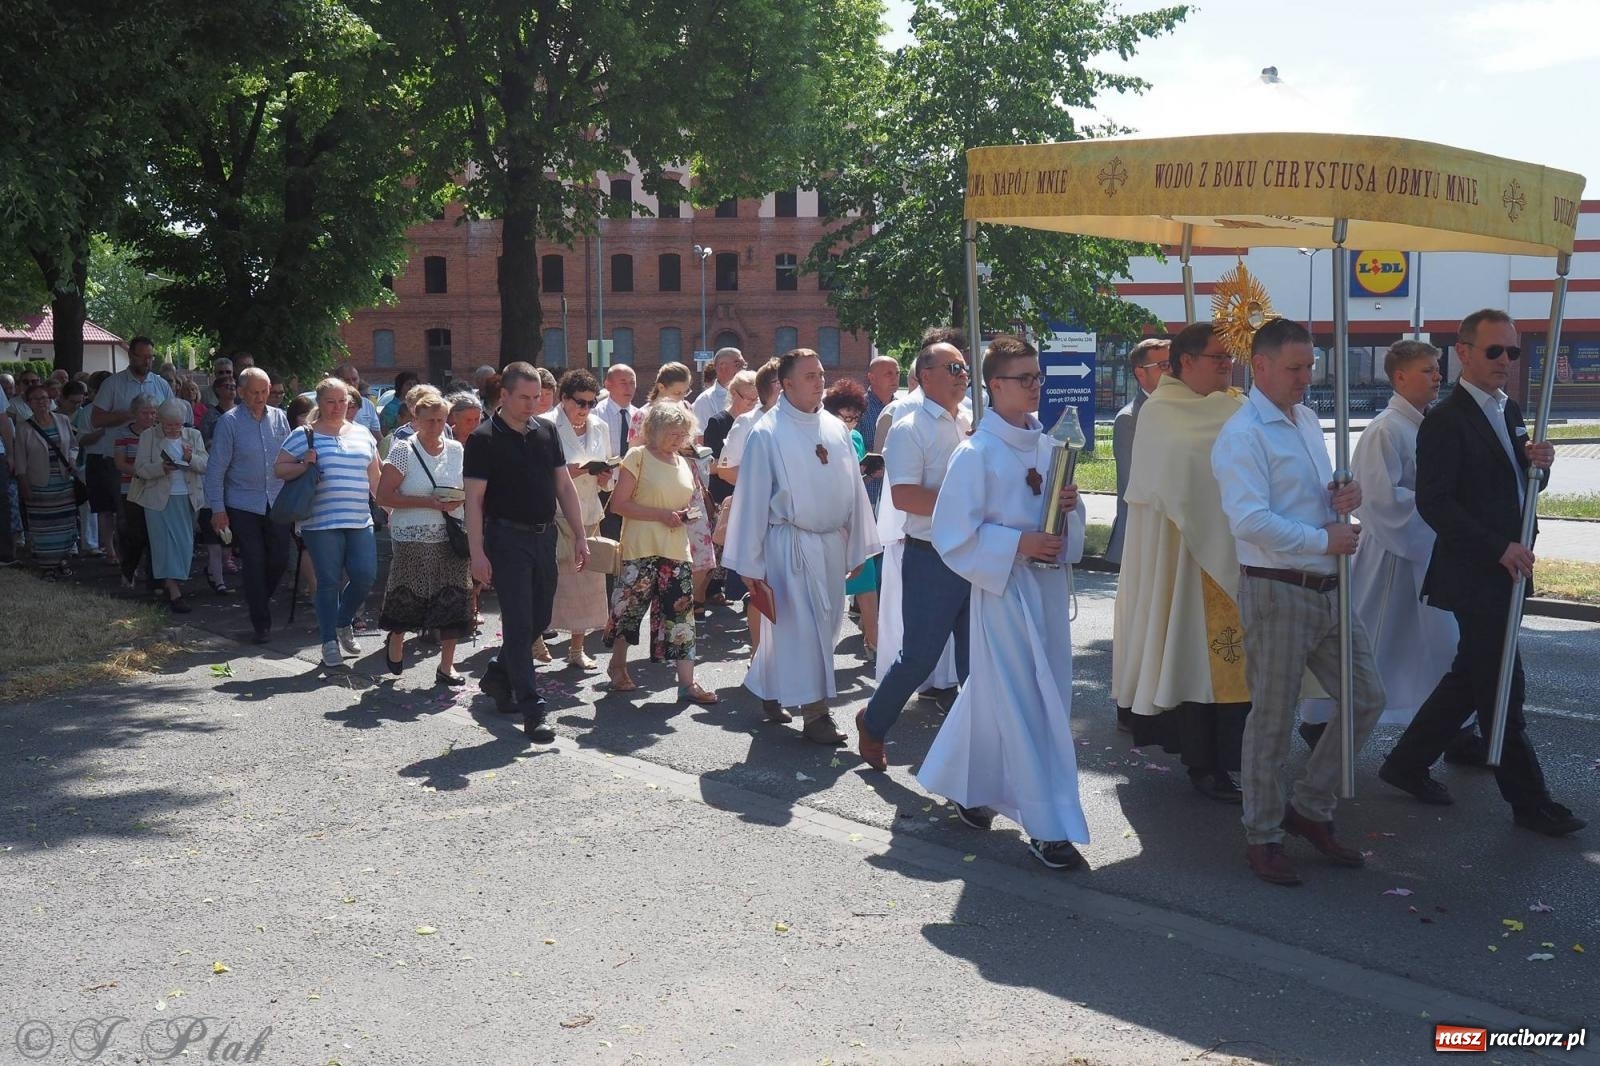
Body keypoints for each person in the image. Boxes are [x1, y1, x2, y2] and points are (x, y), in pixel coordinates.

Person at [1378, 310, 1585, 837]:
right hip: (1477, 572)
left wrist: (1538, 464)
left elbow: (1514, 487)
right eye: (1494, 351)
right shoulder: (1446, 420)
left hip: (1509, 567)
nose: (1505, 362)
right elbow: (1435, 503)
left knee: (1471, 677)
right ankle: (1529, 800)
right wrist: (1497, 547)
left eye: (1512, 353)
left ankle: (1406, 761)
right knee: (1501, 686)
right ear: (1463, 353)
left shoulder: (1509, 408)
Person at [1213, 317, 1385, 887]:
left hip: (1328, 586)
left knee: (1366, 698)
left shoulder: (1307, 419)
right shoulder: (1242, 435)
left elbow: (1316, 498)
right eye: (1295, 367)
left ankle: (1309, 807)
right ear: (1258, 366)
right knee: (1272, 719)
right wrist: (1322, 538)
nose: (1306, 378)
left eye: (1310, 366)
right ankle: (1262, 835)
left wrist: (1345, 496)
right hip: (1278, 589)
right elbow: (1249, 519)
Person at [916, 335, 1090, 870]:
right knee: (1028, 703)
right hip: (1006, 592)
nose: (1036, 387)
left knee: (1006, 695)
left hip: (1046, 590)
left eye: (1038, 377)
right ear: (995, 386)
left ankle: (969, 792)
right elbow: (952, 534)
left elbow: (1066, 528)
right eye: (1024, 379)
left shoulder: (1049, 446)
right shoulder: (977, 452)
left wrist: (1070, 509)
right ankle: (1046, 825)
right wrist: (1018, 544)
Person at [1111, 323, 1250, 803]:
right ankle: (1203, 763)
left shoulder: (1236, 407)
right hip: (1185, 559)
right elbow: (1179, 479)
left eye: (1230, 357)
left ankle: (1235, 759)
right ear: (1185, 362)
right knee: (1190, 658)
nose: (1226, 364)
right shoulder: (1161, 413)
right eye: (1216, 357)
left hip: (1234, 549)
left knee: (1236, 664)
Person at [1299, 341, 1462, 746]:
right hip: (1392, 556)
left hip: (1424, 552)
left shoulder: (1423, 423)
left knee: (1437, 647)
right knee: (1375, 644)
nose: (1437, 377)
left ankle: (1452, 726)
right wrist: (1443, 514)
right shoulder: (1386, 429)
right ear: (1400, 377)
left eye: (1438, 369)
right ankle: (1324, 718)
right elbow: (1377, 498)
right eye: (1427, 370)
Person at [722, 348, 881, 743]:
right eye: (809, 376)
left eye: (821, 373)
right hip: (787, 545)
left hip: (829, 544)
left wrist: (857, 545)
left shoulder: (835, 428)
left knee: (820, 627)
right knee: (803, 630)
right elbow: (753, 499)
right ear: (787, 384)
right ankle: (816, 715)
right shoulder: (766, 433)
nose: (819, 381)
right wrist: (749, 563)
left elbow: (854, 490)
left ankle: (766, 685)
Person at [856, 333, 972, 771]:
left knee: (975, 661)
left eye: (964, 368)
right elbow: (904, 497)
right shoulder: (909, 428)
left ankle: (971, 751)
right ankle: (874, 721)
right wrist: (966, 502)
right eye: (953, 368)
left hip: (975, 554)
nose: (963, 376)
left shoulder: (971, 422)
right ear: (926, 376)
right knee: (919, 656)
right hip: (931, 556)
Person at [464, 361, 589, 741]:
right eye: (524, 398)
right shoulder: (483, 438)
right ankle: (533, 708)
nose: (532, 405)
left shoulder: (547, 431)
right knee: (519, 623)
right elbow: (473, 501)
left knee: (540, 619)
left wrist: (580, 535)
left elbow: (564, 487)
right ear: (503, 395)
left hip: (544, 535)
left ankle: (498, 677)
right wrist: (477, 554)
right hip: (506, 539)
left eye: (537, 398)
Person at [603, 401, 719, 704]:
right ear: (654, 431)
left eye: (683, 434)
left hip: (676, 547)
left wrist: (685, 515)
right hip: (641, 546)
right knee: (629, 609)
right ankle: (617, 665)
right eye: (672, 433)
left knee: (681, 615)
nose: (678, 439)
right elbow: (619, 504)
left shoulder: (683, 462)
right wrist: (660, 514)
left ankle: (687, 683)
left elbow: (688, 503)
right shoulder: (638, 456)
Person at [275, 378, 382, 668]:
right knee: (329, 581)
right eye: (330, 402)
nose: (337, 407)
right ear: (319, 404)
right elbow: (279, 469)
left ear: (350, 403)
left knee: (364, 576)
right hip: (321, 522)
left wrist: (390, 508)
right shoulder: (304, 434)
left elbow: (376, 477)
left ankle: (343, 622)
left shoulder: (362, 434)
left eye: (342, 401)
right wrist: (303, 464)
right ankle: (328, 642)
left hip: (360, 519)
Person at [375, 385, 472, 683]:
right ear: (416, 420)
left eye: (441, 420)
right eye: (430, 420)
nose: (436, 426)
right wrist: (427, 502)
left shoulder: (456, 449)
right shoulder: (404, 449)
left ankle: (447, 665)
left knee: (453, 596)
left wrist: (460, 499)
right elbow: (384, 496)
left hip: (451, 532)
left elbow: (468, 488)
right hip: (412, 535)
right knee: (410, 594)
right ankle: (396, 636)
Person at [206, 368, 292, 642]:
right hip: (243, 503)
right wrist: (218, 509)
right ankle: (261, 622)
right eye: (254, 392)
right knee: (254, 561)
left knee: (279, 558)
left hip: (277, 500)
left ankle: (258, 598)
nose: (260, 397)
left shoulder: (279, 418)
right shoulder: (229, 423)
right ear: (241, 393)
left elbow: (289, 457)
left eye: (264, 391)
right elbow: (216, 469)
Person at [631, 363, 716, 606]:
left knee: (702, 550)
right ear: (660, 387)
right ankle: (667, 601)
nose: (681, 398)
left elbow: (696, 442)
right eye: (677, 392)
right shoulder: (643, 414)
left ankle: (688, 601)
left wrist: (692, 450)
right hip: (660, 488)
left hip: (691, 486)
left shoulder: (686, 408)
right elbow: (634, 453)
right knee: (666, 549)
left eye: (686, 392)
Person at [544, 369, 612, 669]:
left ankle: (576, 649)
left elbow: (608, 477)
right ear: (563, 398)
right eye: (579, 402)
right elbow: (538, 474)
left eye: (591, 403)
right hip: (555, 515)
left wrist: (605, 476)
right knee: (552, 583)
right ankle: (534, 636)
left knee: (587, 585)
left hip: (589, 513)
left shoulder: (599, 425)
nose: (585, 409)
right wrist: (573, 470)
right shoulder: (545, 425)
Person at [90, 337, 177, 561]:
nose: (148, 361)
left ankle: (153, 562)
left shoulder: (160, 384)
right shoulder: (113, 384)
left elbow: (174, 417)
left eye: (151, 357)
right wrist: (130, 415)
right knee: (125, 516)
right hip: (120, 461)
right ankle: (126, 562)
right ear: (131, 356)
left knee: (154, 514)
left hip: (154, 461)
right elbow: (96, 419)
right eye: (144, 356)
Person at [131, 398, 209, 612]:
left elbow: (205, 465)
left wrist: (190, 457)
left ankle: (171, 582)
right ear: (160, 422)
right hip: (157, 499)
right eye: (169, 425)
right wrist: (161, 468)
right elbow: (140, 468)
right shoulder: (149, 436)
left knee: (184, 545)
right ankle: (174, 591)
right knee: (163, 545)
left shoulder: (193, 435)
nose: (174, 429)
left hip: (187, 496)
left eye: (178, 425)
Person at [822, 379, 879, 653]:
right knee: (829, 588)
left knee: (867, 582)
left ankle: (874, 640)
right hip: (829, 518)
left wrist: (869, 472)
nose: (851, 423)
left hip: (855, 515)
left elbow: (854, 479)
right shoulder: (820, 436)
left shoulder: (855, 437)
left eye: (856, 418)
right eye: (846, 417)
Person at [1107, 337, 1170, 564]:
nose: (1172, 371)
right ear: (1141, 374)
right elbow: (1137, 483)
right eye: (1163, 366)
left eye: (1174, 364)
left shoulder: (1178, 410)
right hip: (1142, 539)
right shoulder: (1130, 419)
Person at [12, 383, 81, 576]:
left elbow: (74, 446)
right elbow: (20, 459)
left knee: (65, 524)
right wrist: (23, 482)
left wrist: (72, 461)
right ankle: (47, 565)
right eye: (37, 399)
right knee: (44, 526)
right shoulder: (24, 428)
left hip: (63, 481)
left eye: (45, 398)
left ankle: (62, 560)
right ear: (29, 403)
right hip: (40, 484)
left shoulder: (62, 420)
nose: (42, 402)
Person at [113, 397, 159, 593]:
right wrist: (143, 472)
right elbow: (120, 463)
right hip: (131, 490)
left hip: (156, 490)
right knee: (134, 535)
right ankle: (128, 570)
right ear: (135, 413)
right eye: (144, 413)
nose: (149, 417)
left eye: (153, 412)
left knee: (154, 536)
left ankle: (155, 580)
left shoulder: (160, 433)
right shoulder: (123, 433)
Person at [862, 355, 902, 510]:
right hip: (868, 495)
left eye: (897, 373)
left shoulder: (903, 408)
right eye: (888, 374)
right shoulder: (858, 409)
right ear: (871, 378)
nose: (895, 378)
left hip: (895, 498)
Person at [691, 347, 745, 435]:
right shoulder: (705, 400)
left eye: (744, 365)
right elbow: (701, 438)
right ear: (722, 366)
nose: (743, 369)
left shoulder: (751, 395)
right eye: (738, 364)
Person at [335, 363, 383, 441]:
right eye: (347, 380)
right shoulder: (332, 405)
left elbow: (377, 436)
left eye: (354, 379)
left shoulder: (368, 405)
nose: (352, 383)